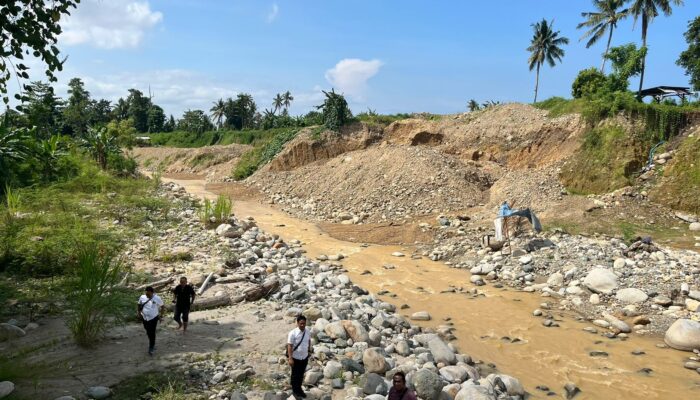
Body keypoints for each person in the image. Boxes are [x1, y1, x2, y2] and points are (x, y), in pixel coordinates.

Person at [287, 315, 312, 398]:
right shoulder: (292, 333)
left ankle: (299, 389)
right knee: (295, 375)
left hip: (304, 357)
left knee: (301, 374)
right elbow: (289, 346)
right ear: (297, 323)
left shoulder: (307, 331)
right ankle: (295, 392)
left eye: (304, 323)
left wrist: (309, 350)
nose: (302, 325)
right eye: (301, 323)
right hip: (295, 358)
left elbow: (308, 341)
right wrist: (290, 358)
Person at [137, 286, 164, 356]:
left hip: (154, 318)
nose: (147, 295)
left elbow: (162, 306)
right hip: (144, 317)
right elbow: (139, 304)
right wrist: (139, 313)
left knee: (152, 332)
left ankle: (151, 346)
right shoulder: (142, 297)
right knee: (148, 331)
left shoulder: (157, 298)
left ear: (152, 292)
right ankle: (152, 342)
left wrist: (161, 316)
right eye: (146, 294)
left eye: (148, 294)